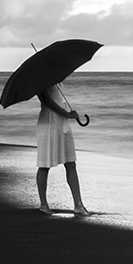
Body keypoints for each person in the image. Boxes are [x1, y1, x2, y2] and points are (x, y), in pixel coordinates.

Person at [35, 86, 89, 216]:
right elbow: (47, 101)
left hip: (62, 125)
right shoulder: (40, 79)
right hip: (48, 124)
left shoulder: (54, 78)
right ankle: (43, 204)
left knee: (71, 163)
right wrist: (67, 114)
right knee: (45, 164)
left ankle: (78, 205)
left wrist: (67, 114)